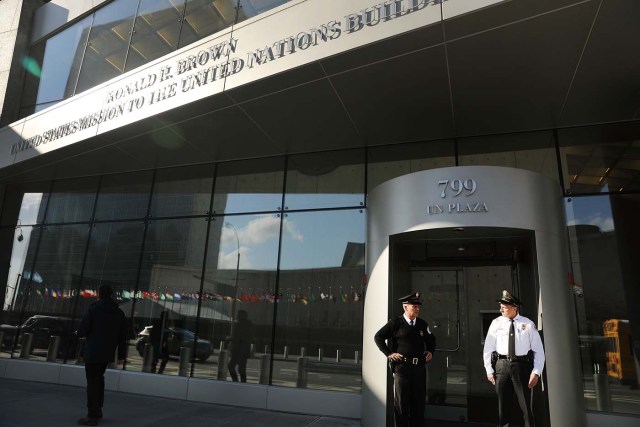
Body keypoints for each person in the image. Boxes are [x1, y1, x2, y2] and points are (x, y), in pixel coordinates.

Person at [483, 290, 545, 427]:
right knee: (502, 408)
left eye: (504, 307)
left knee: (526, 408)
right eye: (501, 306)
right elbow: (488, 348)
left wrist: (536, 372)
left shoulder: (527, 324)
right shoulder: (496, 323)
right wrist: (488, 369)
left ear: (514, 308)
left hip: (522, 367)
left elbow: (539, 351)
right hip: (502, 367)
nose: (501, 309)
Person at [374, 292, 436, 427]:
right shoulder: (396, 323)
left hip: (419, 369)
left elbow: (431, 339)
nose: (418, 309)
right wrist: (389, 354)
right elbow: (378, 337)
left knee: (418, 404)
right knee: (402, 404)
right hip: (402, 369)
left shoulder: (422, 324)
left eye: (418, 307)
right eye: (414, 306)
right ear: (405, 307)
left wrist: (430, 351)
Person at [76, 284, 127, 426]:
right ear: (111, 295)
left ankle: (92, 416)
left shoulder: (93, 309)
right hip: (107, 354)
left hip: (92, 352)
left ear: (99, 294)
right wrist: (122, 355)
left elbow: (82, 331)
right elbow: (123, 337)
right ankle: (98, 410)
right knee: (99, 379)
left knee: (92, 382)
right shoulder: (119, 313)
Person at [227, 309, 253, 382]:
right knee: (242, 369)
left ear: (242, 316)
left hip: (238, 350)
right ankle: (243, 383)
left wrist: (229, 339)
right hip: (245, 350)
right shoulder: (249, 325)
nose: (236, 316)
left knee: (231, 366)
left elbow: (237, 338)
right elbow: (249, 338)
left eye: (238, 314)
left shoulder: (239, 325)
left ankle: (235, 381)